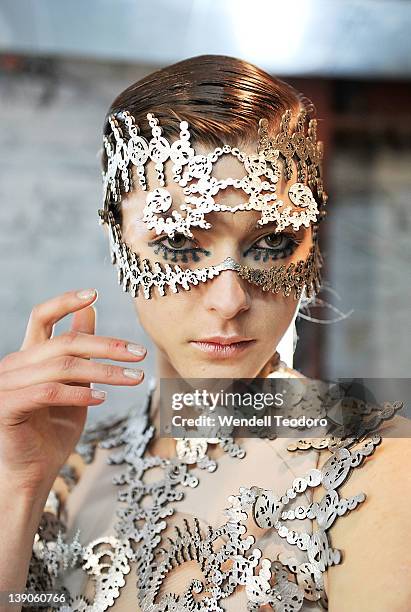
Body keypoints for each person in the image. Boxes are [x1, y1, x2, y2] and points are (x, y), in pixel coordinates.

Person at [0, 55, 410, 612]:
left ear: (312, 244)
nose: (230, 300)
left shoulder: (377, 458)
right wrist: (17, 485)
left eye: (271, 244)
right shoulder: (68, 467)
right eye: (179, 244)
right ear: (118, 241)